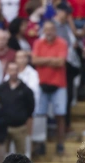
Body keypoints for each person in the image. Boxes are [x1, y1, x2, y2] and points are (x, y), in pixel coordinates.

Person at [33, 21, 68, 155]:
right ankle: (41, 144)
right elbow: (34, 60)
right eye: (46, 30)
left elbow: (60, 62)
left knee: (60, 115)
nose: (49, 32)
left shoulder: (62, 43)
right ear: (43, 31)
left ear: (55, 30)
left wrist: (43, 60)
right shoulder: (38, 43)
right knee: (40, 116)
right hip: (42, 84)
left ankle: (60, 144)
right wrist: (51, 60)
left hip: (59, 84)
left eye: (51, 29)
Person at [0, 61, 35, 163]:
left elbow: (30, 108)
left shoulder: (26, 89)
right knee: (3, 156)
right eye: (11, 70)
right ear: (7, 71)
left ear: (18, 72)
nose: (13, 73)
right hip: (4, 127)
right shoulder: (1, 88)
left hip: (20, 127)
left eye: (15, 70)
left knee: (22, 157)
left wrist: (23, 118)